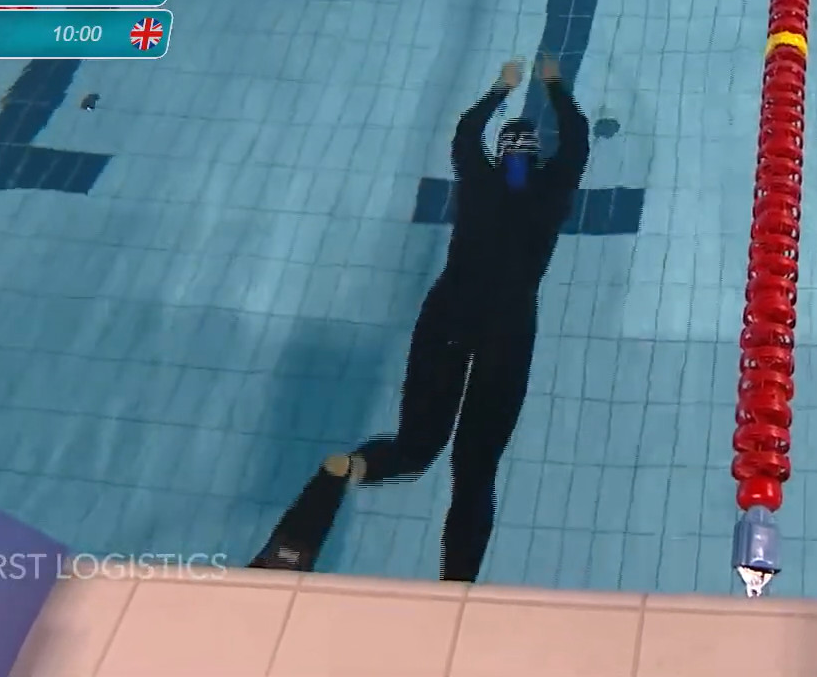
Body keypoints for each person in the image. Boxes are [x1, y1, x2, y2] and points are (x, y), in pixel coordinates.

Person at [251, 54, 590, 579]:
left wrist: (500, 89)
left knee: (415, 448)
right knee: (474, 469)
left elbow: (464, 135)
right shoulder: (552, 190)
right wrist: (555, 86)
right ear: (536, 157)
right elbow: (577, 140)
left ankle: (351, 468)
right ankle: (455, 589)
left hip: (448, 312)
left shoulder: (478, 180)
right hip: (508, 324)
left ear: (499, 155)